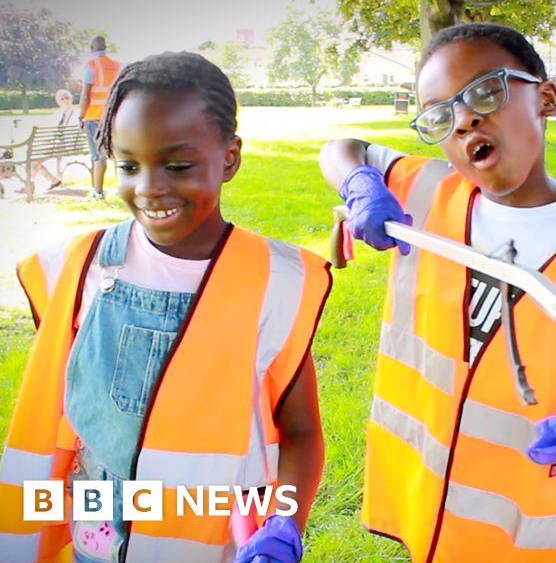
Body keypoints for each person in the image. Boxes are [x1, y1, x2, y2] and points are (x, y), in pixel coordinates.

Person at [319, 23, 556, 563]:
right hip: (426, 485)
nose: (465, 117)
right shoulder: (426, 192)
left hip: (524, 514)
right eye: (441, 115)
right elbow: (342, 148)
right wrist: (358, 183)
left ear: (545, 98)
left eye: (486, 91)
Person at [0, 52, 330, 563]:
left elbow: (302, 429)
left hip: (214, 535)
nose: (149, 187)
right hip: (100, 530)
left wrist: (286, 522)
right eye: (128, 165)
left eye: (177, 165)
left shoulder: (275, 280)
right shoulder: (79, 267)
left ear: (230, 158)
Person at [79, 35, 121, 200]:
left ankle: (97, 192)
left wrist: (81, 116)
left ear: (91, 48)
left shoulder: (91, 66)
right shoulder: (116, 66)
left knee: (98, 156)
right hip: (113, 116)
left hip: (94, 116)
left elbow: (85, 94)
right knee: (117, 153)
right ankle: (120, 188)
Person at [30, 89, 78, 190]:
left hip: (68, 145)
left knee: (33, 159)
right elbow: (51, 133)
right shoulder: (57, 114)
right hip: (56, 144)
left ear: (71, 99)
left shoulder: (77, 114)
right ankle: (54, 181)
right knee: (32, 156)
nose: (65, 100)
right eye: (62, 99)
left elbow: (73, 134)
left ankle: (29, 184)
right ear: (58, 102)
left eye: (67, 98)